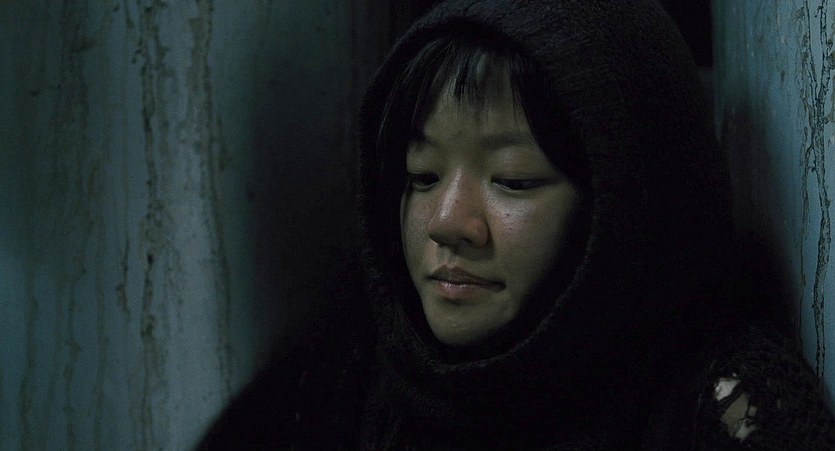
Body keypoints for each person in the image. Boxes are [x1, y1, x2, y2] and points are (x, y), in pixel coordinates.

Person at [201, 0, 835, 449]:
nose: (447, 223)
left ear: (623, 210)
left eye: (513, 180)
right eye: (422, 174)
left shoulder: (723, 407)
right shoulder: (351, 373)